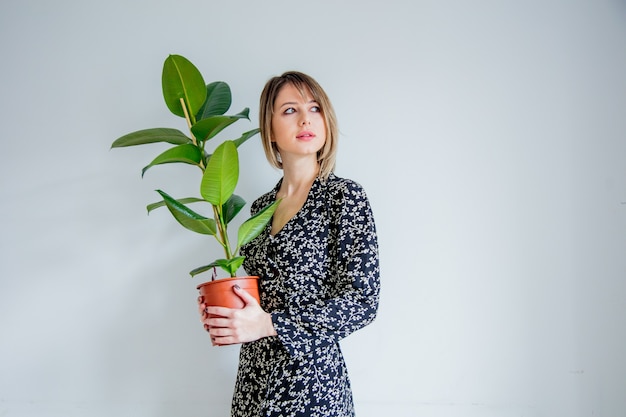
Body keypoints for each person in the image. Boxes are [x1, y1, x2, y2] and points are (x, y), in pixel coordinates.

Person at [198, 71, 380, 417]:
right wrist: (225, 311)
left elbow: (362, 302)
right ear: (269, 129)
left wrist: (271, 324)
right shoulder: (260, 209)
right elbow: (258, 297)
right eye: (289, 110)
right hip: (255, 379)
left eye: (314, 108)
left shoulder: (344, 198)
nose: (305, 119)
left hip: (310, 383)